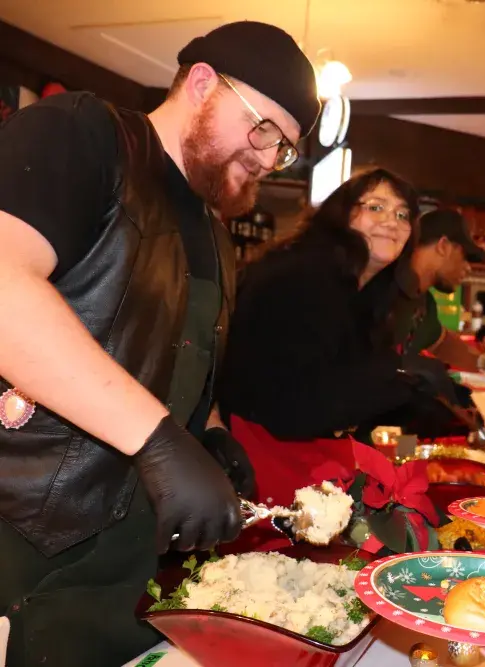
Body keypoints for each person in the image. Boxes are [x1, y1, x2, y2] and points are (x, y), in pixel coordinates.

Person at [0, 21, 320, 667]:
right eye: (263, 129)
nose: (267, 159)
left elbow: (176, 356)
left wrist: (211, 433)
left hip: (133, 565)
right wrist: (158, 440)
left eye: (283, 149)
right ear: (201, 83)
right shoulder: (83, 133)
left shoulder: (216, 235)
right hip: (27, 541)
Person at [216, 168, 458, 548]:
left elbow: (352, 395)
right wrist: (398, 375)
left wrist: (419, 401)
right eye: (375, 207)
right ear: (342, 214)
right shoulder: (304, 277)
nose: (392, 222)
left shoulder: (364, 291)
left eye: (402, 214)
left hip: (300, 464)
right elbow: (298, 407)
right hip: (258, 469)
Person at [365, 208, 484, 371]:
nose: (468, 268)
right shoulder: (381, 290)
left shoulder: (425, 303)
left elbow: (443, 344)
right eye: (465, 256)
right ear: (443, 246)